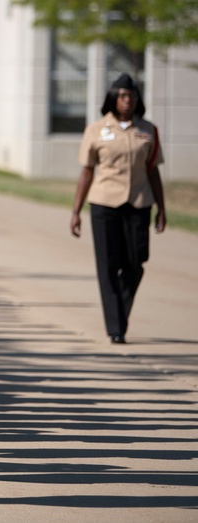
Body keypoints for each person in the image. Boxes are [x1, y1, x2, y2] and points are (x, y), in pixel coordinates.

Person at [70, 73, 166, 344]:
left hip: (138, 204)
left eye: (132, 95)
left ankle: (119, 311)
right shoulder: (97, 129)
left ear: (138, 99)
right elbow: (87, 172)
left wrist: (162, 208)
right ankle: (116, 326)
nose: (127, 100)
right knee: (108, 265)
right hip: (104, 204)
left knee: (136, 263)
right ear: (113, 98)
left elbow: (154, 172)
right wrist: (76, 211)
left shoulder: (148, 130)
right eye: (122, 95)